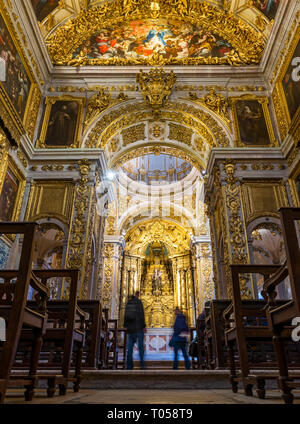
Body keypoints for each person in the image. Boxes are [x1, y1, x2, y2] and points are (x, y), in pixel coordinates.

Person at [124, 291, 146, 370]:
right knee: (140, 347)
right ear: (137, 295)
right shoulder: (139, 302)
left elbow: (125, 316)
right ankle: (142, 365)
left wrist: (126, 327)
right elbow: (141, 314)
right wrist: (144, 326)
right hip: (138, 328)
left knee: (130, 348)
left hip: (130, 329)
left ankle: (129, 366)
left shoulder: (128, 303)